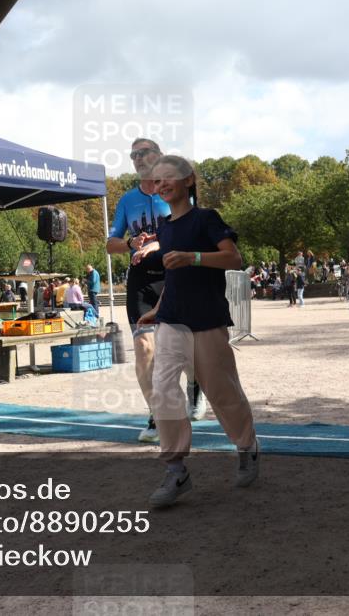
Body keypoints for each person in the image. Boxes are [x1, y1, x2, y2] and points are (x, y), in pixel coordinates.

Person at [137, 155, 258, 508]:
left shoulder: (207, 219)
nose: (160, 186)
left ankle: (247, 447)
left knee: (221, 392)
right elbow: (174, 279)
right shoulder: (164, 227)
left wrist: (195, 258)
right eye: (156, 181)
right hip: (171, 320)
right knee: (162, 387)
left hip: (207, 319)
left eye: (167, 178)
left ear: (188, 180)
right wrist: (157, 310)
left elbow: (234, 259)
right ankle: (176, 469)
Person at [107, 138, 205, 442]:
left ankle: (195, 384)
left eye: (143, 152)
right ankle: (157, 416)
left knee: (183, 348)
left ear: (159, 156)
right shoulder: (127, 200)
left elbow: (192, 232)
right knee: (145, 348)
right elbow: (110, 244)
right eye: (133, 154)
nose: (137, 158)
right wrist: (130, 243)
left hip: (175, 275)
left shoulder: (174, 191)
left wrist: (158, 242)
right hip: (141, 280)